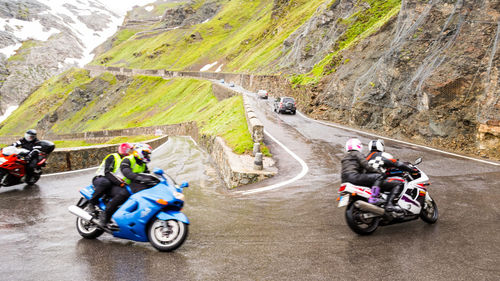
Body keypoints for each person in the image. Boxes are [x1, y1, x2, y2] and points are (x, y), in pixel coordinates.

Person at [96, 143, 158, 228]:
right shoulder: (128, 159)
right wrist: (139, 178)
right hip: (117, 183)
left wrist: (155, 181)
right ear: (139, 152)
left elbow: (147, 175)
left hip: (129, 185)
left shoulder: (143, 165)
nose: (147, 156)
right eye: (146, 154)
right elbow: (126, 172)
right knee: (123, 194)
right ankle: (105, 216)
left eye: (148, 154)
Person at [365, 139, 418, 212]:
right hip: (377, 180)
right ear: (381, 146)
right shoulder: (383, 155)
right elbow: (396, 164)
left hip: (366, 181)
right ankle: (389, 204)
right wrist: (410, 169)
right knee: (400, 182)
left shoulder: (366, 158)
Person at [88, 143, 133, 226]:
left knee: (124, 193)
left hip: (114, 183)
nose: (130, 152)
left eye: (130, 151)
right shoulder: (113, 157)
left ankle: (111, 215)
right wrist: (120, 184)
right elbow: (107, 173)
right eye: (128, 150)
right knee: (106, 183)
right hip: (101, 178)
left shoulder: (128, 161)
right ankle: (92, 203)